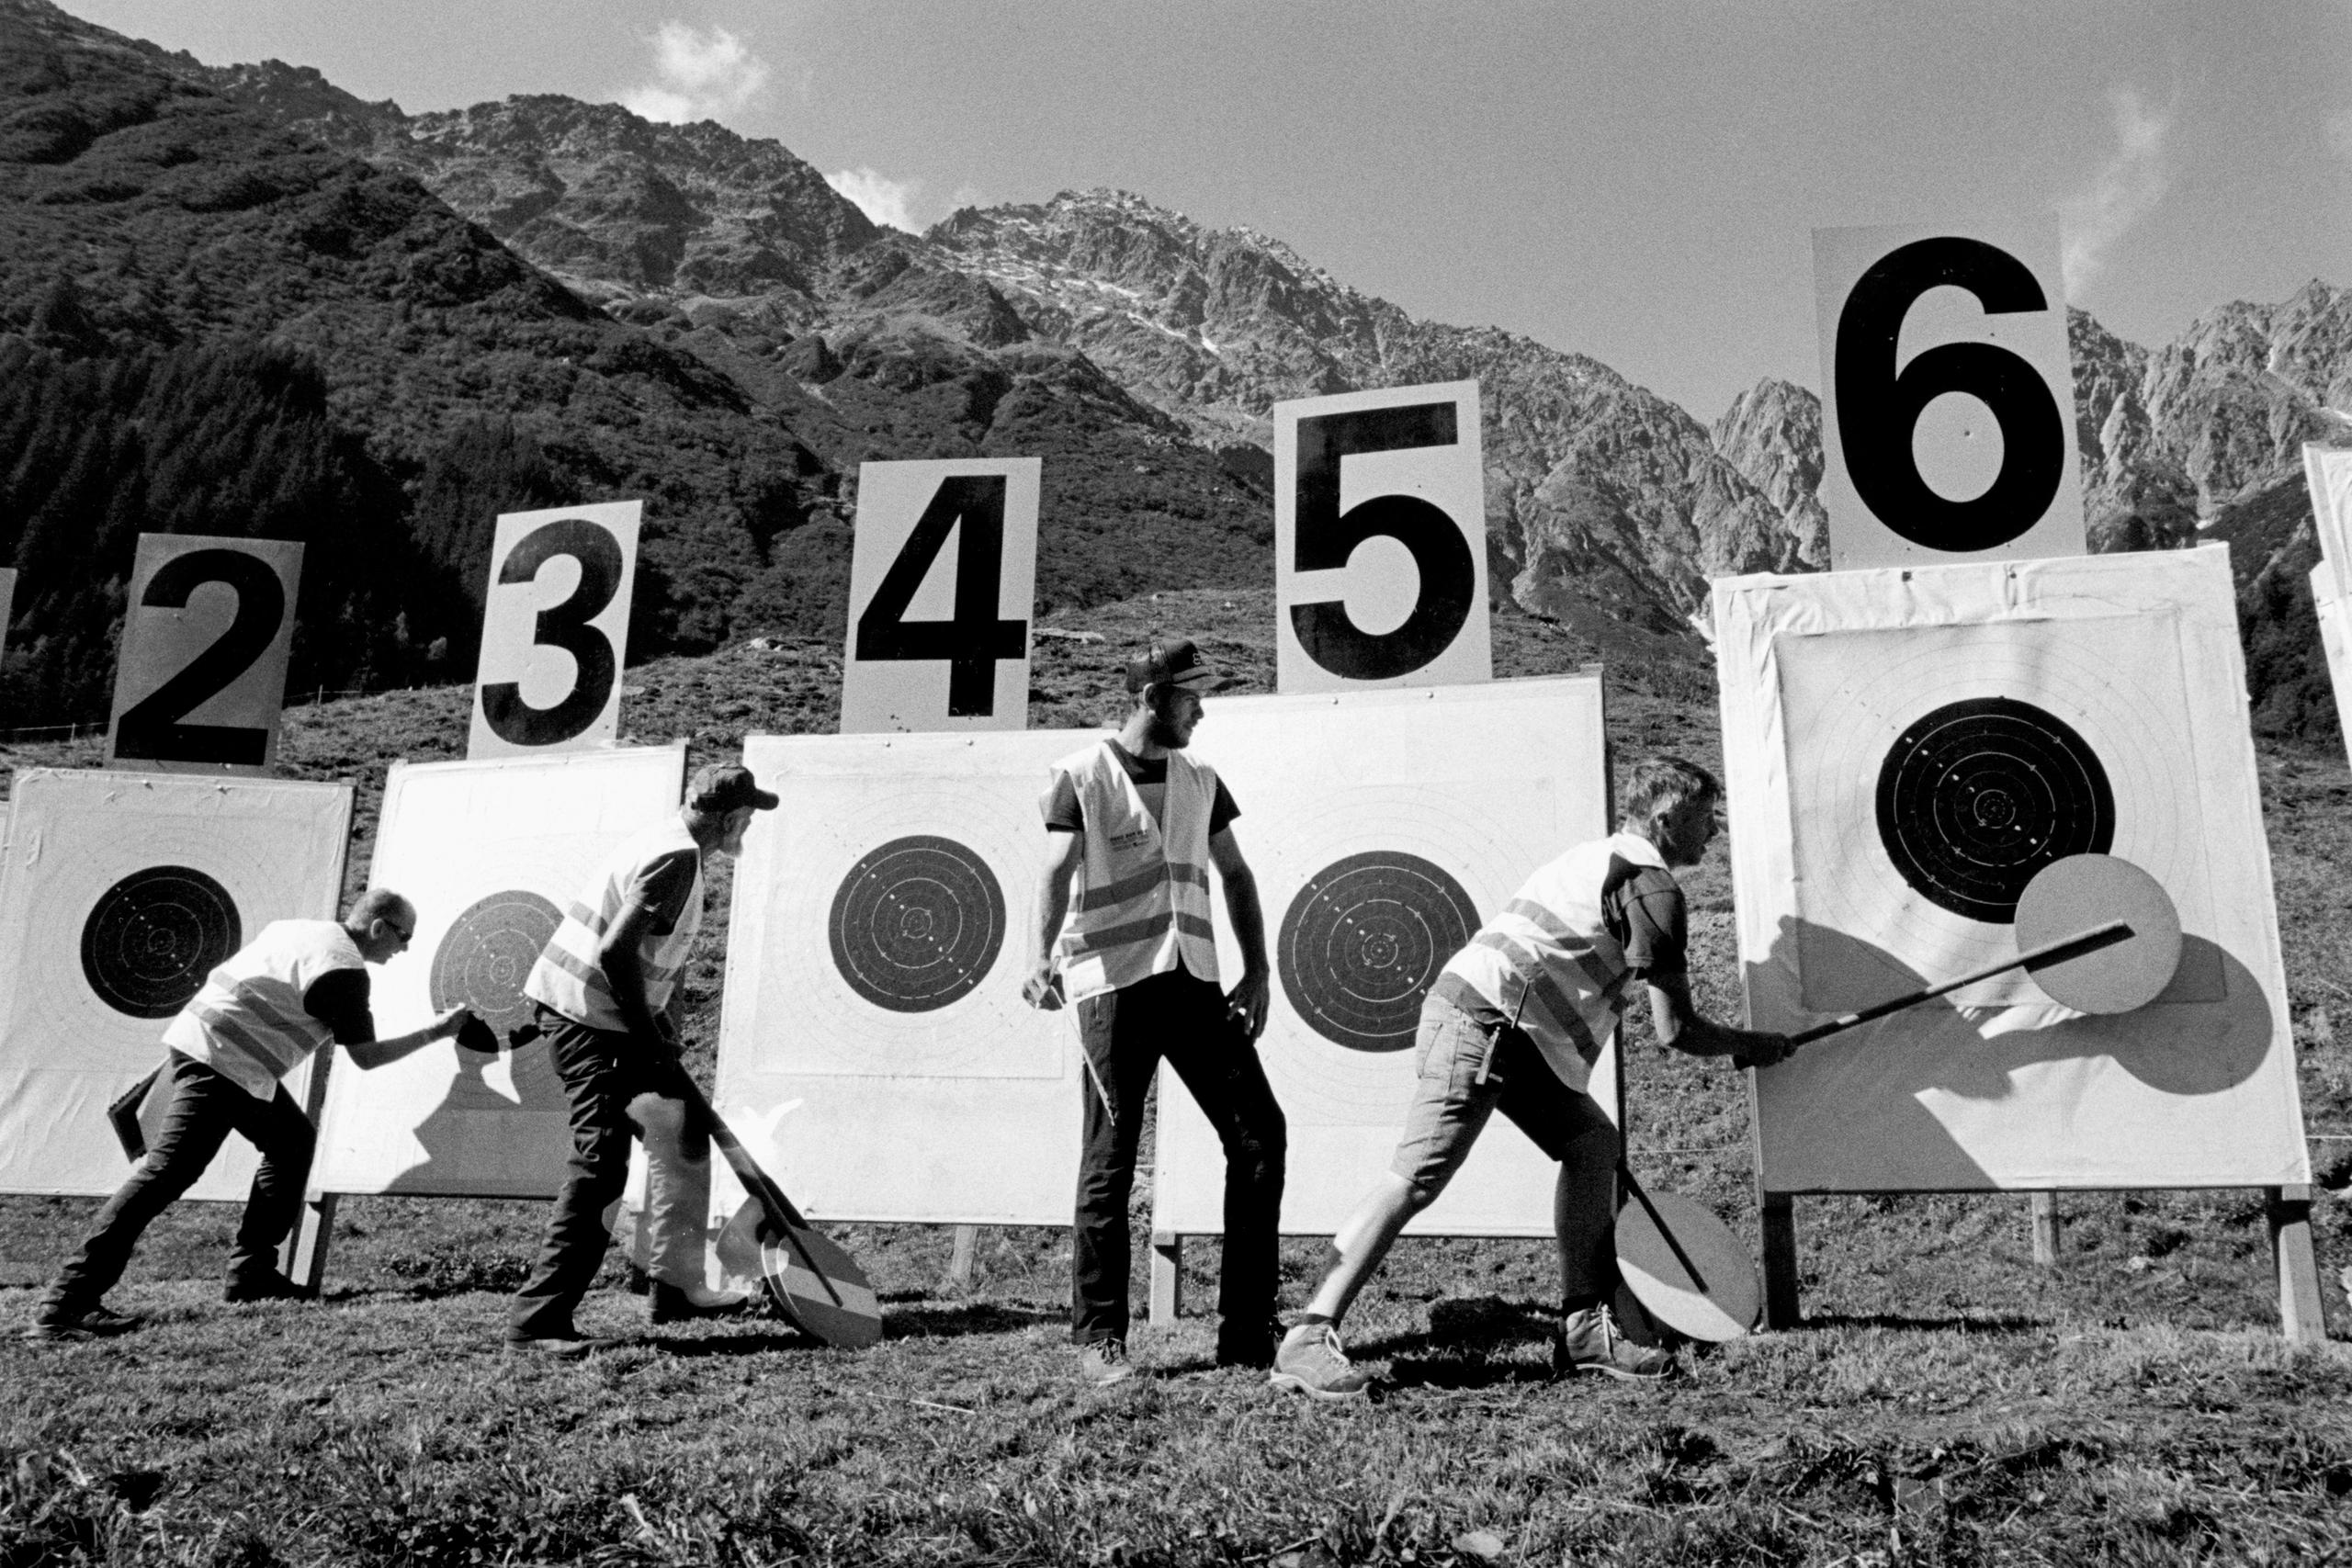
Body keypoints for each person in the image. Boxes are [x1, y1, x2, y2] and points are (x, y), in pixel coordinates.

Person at [1268, 756, 1796, 1399]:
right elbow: (1675, 1029)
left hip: (1508, 1031)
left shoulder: (1598, 857)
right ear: (1665, 818)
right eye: (1704, 817)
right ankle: (1306, 1334)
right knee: (1415, 1176)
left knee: (1592, 1144)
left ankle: (1582, 1332)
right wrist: (1752, 1044)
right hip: (1488, 1025)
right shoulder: (1651, 886)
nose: (1713, 832)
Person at [25, 889, 469, 1340]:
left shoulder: (299, 929)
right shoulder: (345, 973)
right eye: (403, 936)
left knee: (291, 1142)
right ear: (378, 927)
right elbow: (367, 1057)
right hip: (225, 1064)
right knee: (166, 1173)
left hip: (213, 1052)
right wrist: (438, 1031)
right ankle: (66, 1302)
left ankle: (252, 1272)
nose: (405, 948)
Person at [1024, 637, 1286, 1385]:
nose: (1201, 709)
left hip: (1193, 983)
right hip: (1113, 988)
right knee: (1110, 1160)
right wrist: (1040, 955)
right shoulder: (1082, 773)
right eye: (1190, 696)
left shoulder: (1203, 777)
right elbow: (1055, 869)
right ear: (1150, 698)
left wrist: (1258, 969)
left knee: (1260, 1135)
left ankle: (1245, 1335)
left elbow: (1235, 874)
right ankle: (1099, 1338)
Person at [503, 761, 775, 1355]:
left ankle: (674, 1285)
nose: (748, 828)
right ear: (729, 817)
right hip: (589, 1020)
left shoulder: (674, 847)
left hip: (605, 1017)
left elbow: (659, 959)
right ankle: (537, 1322)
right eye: (748, 818)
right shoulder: (677, 858)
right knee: (601, 1161)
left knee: (683, 1127)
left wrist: (665, 1034)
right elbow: (614, 950)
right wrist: (647, 1036)